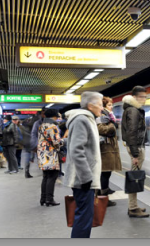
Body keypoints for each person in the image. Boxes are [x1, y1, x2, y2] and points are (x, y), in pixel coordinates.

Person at [64, 91, 103, 238]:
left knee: (85, 216)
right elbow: (76, 150)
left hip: (84, 177)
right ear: (90, 106)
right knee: (84, 218)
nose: (102, 108)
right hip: (83, 178)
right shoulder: (82, 120)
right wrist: (87, 178)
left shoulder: (88, 119)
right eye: (99, 105)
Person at [121, 86, 149, 218]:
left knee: (135, 176)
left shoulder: (131, 109)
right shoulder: (133, 110)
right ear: (135, 97)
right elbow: (132, 132)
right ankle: (132, 208)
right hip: (136, 146)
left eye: (145, 96)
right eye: (142, 96)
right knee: (135, 177)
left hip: (136, 145)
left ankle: (134, 205)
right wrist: (135, 154)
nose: (144, 99)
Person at [96, 96, 122, 207]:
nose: (112, 107)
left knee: (106, 174)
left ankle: (102, 197)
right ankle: (103, 199)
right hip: (105, 150)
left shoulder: (108, 116)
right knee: (104, 174)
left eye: (111, 105)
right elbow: (101, 129)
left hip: (108, 149)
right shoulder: (103, 116)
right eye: (109, 105)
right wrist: (112, 125)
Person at [38, 109, 63, 207]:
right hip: (50, 154)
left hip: (42, 153)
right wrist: (63, 141)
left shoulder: (41, 126)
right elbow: (56, 142)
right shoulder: (52, 127)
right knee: (52, 176)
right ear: (54, 116)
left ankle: (43, 198)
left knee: (45, 176)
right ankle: (49, 199)